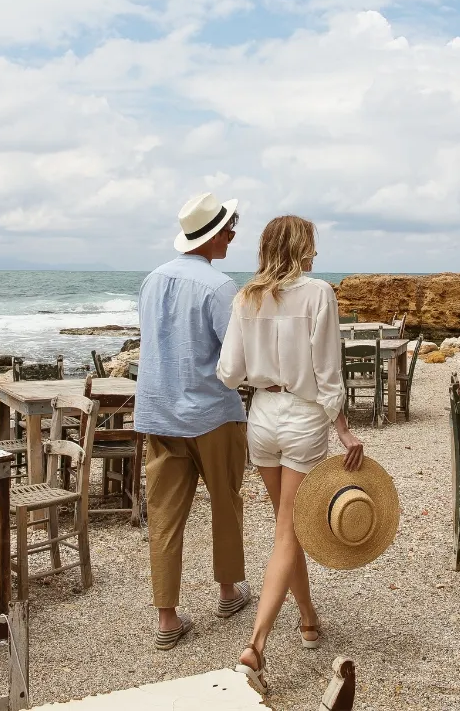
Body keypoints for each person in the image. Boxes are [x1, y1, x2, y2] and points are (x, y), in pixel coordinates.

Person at [216, 215, 364, 694]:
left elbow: (228, 372)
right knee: (288, 530)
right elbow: (328, 371)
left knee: (289, 526)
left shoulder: (246, 297)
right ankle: (255, 648)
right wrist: (343, 430)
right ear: (300, 248)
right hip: (302, 417)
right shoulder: (318, 293)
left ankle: (307, 617)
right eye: (311, 245)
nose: (315, 254)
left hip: (262, 415)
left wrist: (261, 371)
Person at [136, 192, 251, 650]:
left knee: (164, 516)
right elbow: (235, 355)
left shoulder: (151, 281)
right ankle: (227, 591)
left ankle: (167, 616)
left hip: (159, 412)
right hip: (211, 412)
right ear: (211, 236)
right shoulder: (219, 287)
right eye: (228, 230)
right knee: (226, 502)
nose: (232, 237)